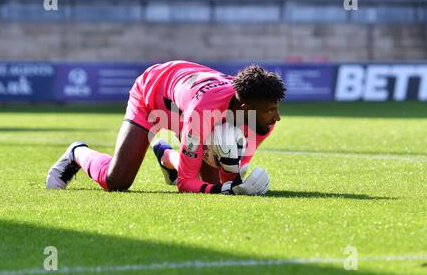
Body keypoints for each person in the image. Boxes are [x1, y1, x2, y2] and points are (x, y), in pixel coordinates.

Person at [46, 60, 285, 194]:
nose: (277, 118)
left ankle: (167, 157)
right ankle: (76, 152)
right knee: (117, 181)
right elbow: (185, 183)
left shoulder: (260, 119)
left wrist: (233, 184)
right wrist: (225, 189)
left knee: (212, 173)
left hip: (185, 101)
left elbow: (230, 172)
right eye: (270, 110)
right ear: (244, 107)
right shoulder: (202, 113)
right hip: (152, 94)